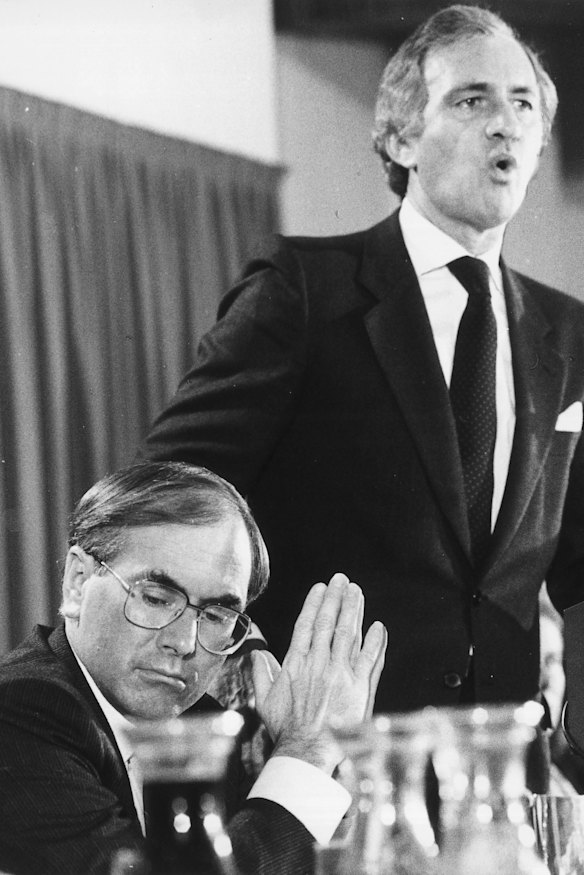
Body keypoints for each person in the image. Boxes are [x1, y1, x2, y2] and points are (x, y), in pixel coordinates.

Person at [140, 4, 584, 713]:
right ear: (403, 137)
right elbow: (165, 497)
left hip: (498, 765)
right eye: (474, 100)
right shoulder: (305, 293)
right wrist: (238, 653)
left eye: (524, 103)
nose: (507, 122)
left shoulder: (569, 332)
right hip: (325, 757)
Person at [0, 460, 387, 875]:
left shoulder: (207, 727)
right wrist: (307, 754)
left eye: (217, 615)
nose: (183, 643)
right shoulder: (19, 710)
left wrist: (331, 775)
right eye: (155, 598)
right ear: (77, 582)